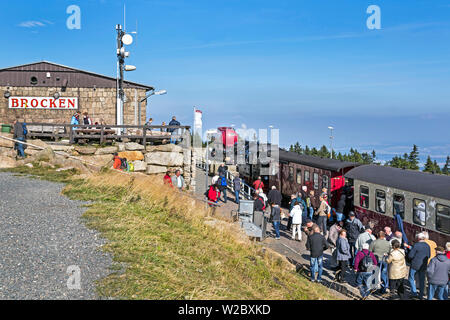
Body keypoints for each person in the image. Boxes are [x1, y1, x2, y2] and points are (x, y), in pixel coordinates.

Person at [406, 232, 431, 299]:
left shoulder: (416, 245)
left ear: (419, 238)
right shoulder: (427, 246)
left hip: (415, 265)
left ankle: (414, 292)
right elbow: (429, 255)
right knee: (422, 280)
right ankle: (421, 295)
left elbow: (410, 256)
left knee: (411, 278)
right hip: (423, 265)